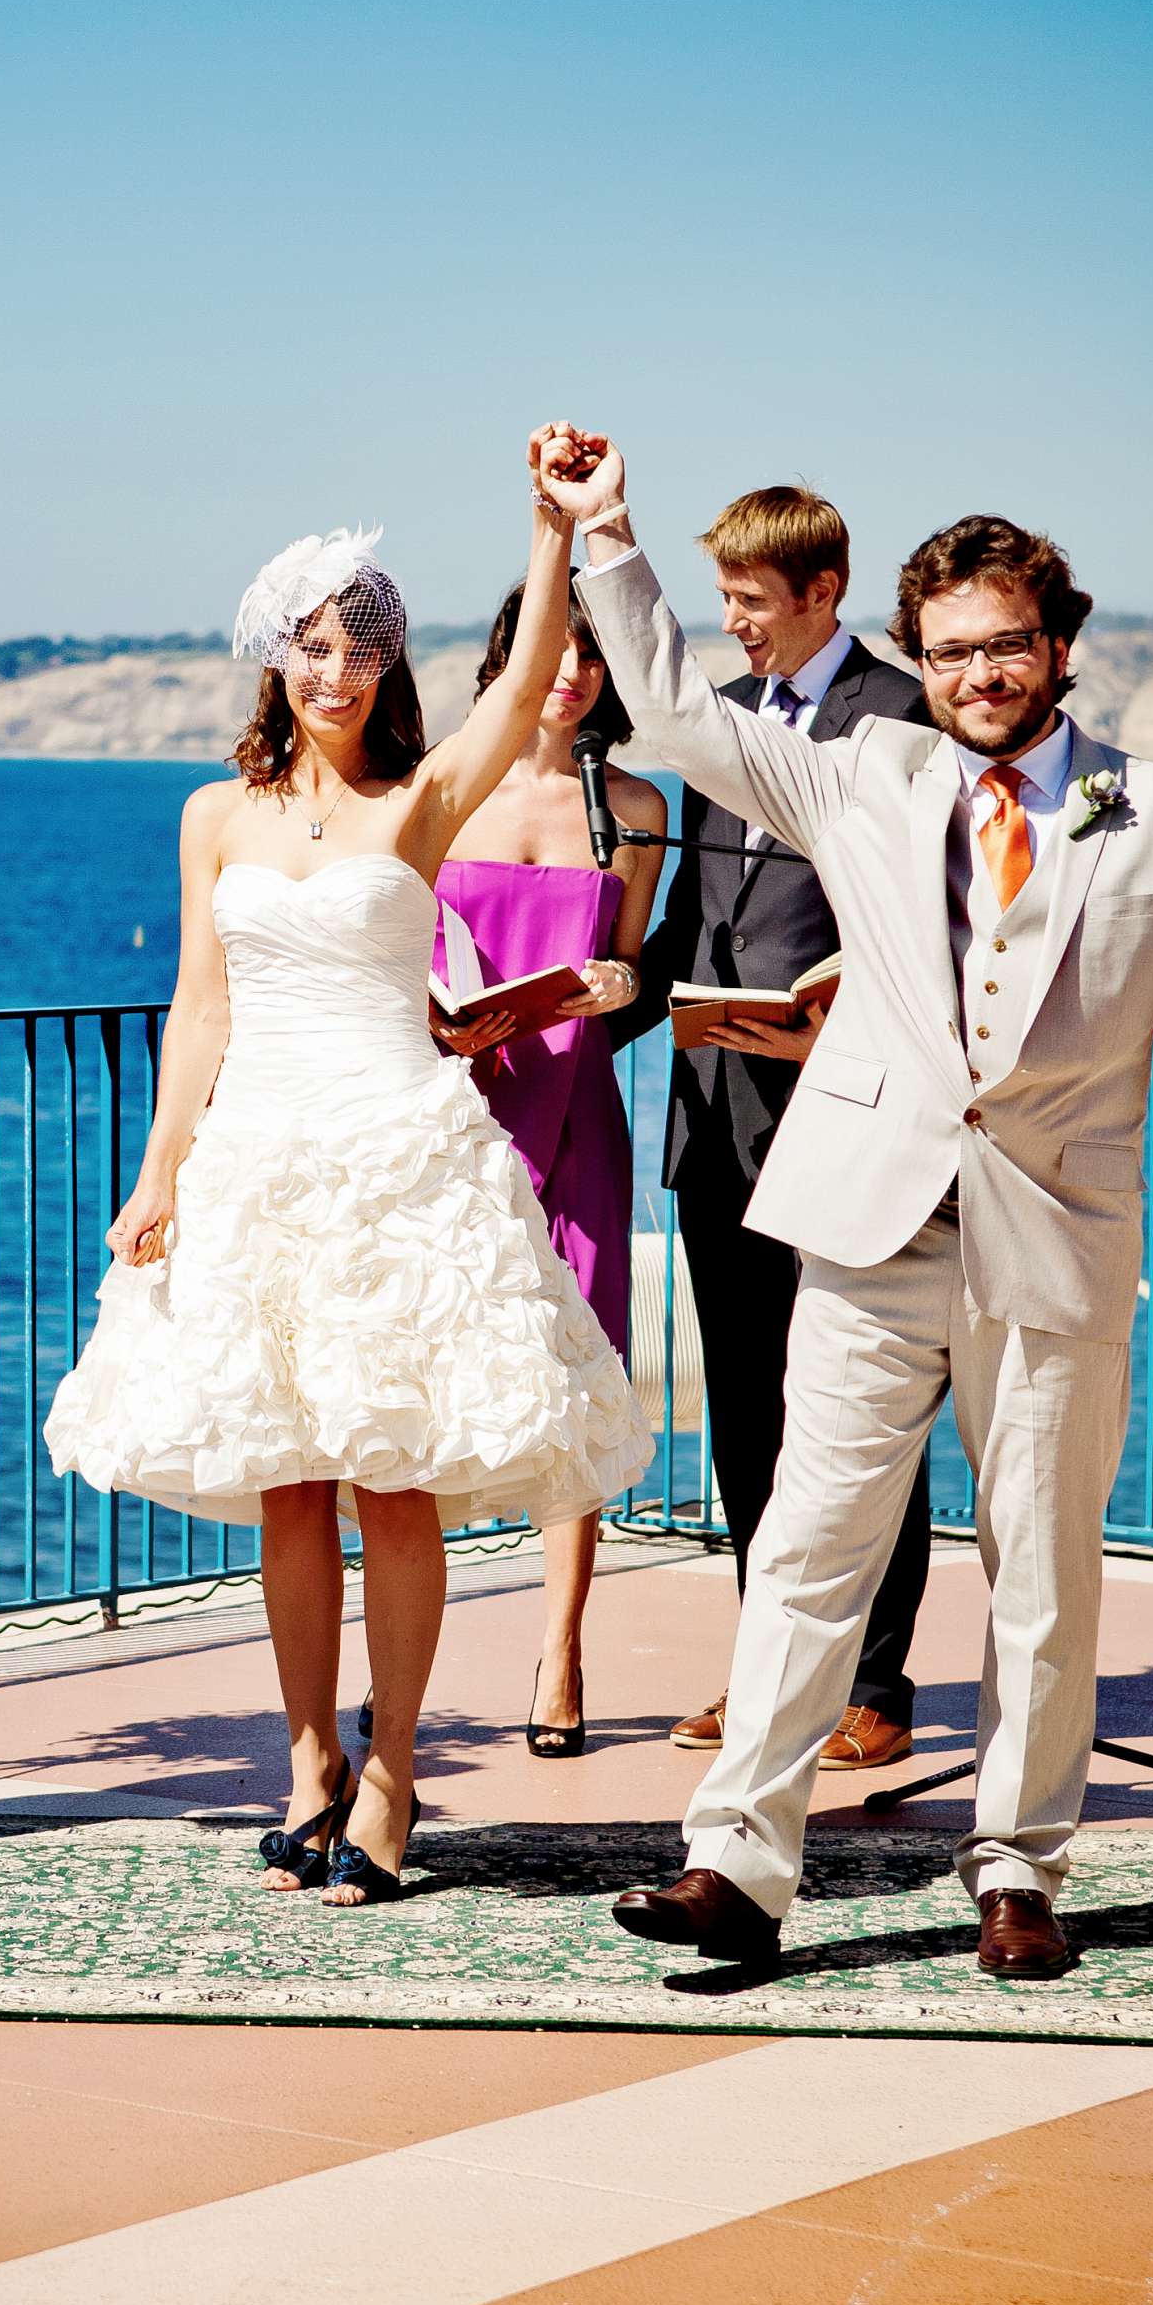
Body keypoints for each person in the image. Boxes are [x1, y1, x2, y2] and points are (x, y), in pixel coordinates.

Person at [535, 425, 1153, 1978]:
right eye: (948, 649)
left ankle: (1017, 1869)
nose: (976, 673)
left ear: (1058, 645)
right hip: (868, 1226)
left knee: (1037, 1574)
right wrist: (606, 534)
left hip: (1055, 1245)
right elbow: (680, 713)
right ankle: (734, 1869)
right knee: (806, 1550)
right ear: (920, 654)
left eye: (1004, 644)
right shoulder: (861, 772)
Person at [46, 437, 652, 1908]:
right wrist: (157, 1176)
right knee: (289, 1486)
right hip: (259, 1158)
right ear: (276, 656)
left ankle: (391, 1784)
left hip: (399, 1155)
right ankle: (309, 1759)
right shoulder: (215, 816)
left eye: (363, 646)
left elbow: (524, 688)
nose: (338, 671)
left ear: (390, 664)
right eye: (314, 646)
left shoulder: (424, 799)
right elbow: (202, 1008)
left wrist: (548, 533)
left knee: (397, 1491)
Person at [609, 485, 934, 1771]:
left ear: (822, 594)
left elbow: (921, 919)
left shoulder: (907, 716)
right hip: (719, 1121)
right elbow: (693, 921)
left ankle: (877, 1681)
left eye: (752, 605)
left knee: (861, 1401)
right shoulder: (728, 725)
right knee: (748, 1406)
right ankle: (771, 1665)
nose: (735, 629)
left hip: (851, 1121)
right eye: (725, 603)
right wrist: (585, 1017)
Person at [426, 576, 667, 1753]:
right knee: (417, 1370)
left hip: (576, 1118)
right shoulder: (443, 787)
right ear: (506, 656)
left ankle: (560, 1653)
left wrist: (614, 986)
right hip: (448, 1119)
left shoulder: (636, 808)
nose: (570, 672)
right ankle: (404, 1657)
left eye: (592, 654)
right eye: (551, 649)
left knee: (580, 1376)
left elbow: (627, 978)